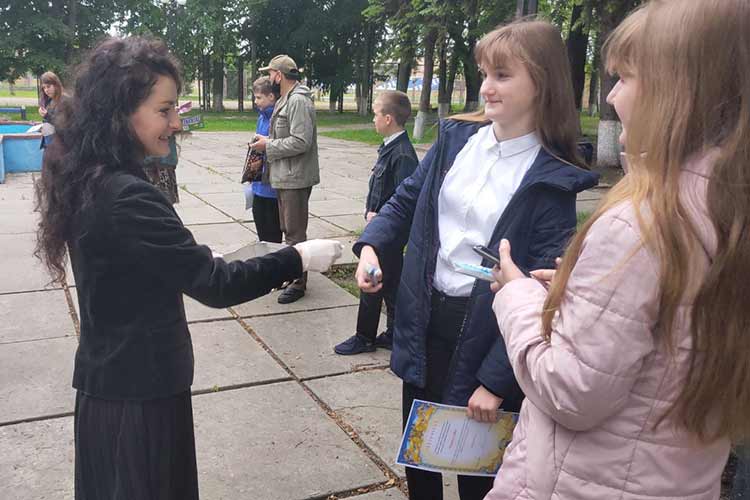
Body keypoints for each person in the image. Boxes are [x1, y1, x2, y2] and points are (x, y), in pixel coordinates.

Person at [33, 36, 343, 500]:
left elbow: (131, 264)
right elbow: (215, 285)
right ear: (120, 112)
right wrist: (298, 256)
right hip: (139, 396)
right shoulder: (126, 194)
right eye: (164, 110)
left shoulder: (93, 176)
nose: (176, 123)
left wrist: (181, 252)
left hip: (111, 382)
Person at [486, 1, 749, 498]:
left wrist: (517, 295)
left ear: (678, 91)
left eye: (625, 78)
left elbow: (572, 391)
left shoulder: (642, 223)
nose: (611, 95)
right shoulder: (727, 208)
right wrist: (585, 297)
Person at [354, 20, 598, 500]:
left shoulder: (554, 176)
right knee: (420, 455)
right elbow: (407, 199)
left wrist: (496, 380)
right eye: (485, 73)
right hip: (425, 319)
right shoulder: (456, 139)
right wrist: (371, 246)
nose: (486, 87)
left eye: (502, 75)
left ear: (542, 82)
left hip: (489, 333)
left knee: (478, 475)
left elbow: (542, 290)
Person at [335, 90, 418, 355]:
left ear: (388, 118)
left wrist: (379, 216)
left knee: (371, 282)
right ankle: (394, 334)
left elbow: (405, 198)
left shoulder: (402, 155)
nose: (373, 119)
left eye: (375, 114)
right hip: (382, 230)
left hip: (388, 233)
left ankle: (365, 337)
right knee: (391, 284)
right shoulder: (390, 147)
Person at [251, 54, 319, 304]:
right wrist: (267, 141)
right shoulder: (286, 99)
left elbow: (301, 141)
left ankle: (299, 283)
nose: (269, 77)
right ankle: (291, 276)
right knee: (288, 231)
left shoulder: (298, 101)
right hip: (285, 176)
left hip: (295, 178)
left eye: (270, 73)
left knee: (294, 234)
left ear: (279, 75)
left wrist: (268, 145)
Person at [246, 76, 282, 243]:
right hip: (257, 182)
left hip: (271, 186)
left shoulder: (279, 118)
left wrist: (265, 144)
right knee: (261, 230)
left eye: (259, 97)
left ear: (271, 97)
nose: (255, 101)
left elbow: (280, 144)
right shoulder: (261, 117)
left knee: (272, 233)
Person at [38, 71, 64, 149]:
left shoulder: (64, 100)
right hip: (49, 144)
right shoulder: (50, 100)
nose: (46, 90)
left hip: (61, 146)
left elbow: (63, 125)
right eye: (44, 88)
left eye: (48, 86)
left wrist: (46, 116)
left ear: (56, 85)